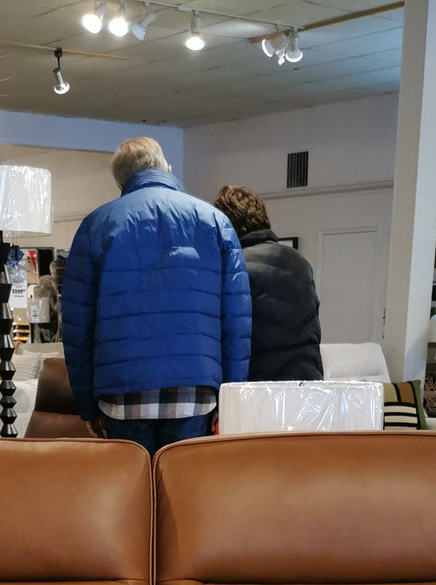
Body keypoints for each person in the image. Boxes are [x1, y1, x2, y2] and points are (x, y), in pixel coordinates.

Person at [62, 137, 251, 454]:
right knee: (183, 494)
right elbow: (236, 322)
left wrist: (87, 406)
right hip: (195, 393)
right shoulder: (216, 223)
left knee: (133, 496)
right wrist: (230, 399)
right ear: (167, 168)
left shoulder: (97, 226)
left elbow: (76, 326)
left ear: (121, 182)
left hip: (122, 393)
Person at [214, 185, 322, 381]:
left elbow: (229, 338)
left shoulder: (234, 267)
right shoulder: (300, 263)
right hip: (307, 384)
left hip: (260, 390)